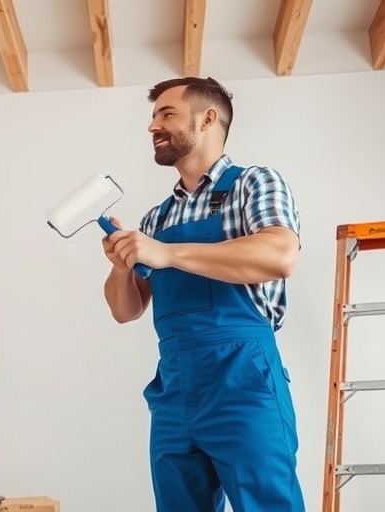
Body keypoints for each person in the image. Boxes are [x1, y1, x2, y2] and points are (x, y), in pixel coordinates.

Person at [102, 77, 305, 511]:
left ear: (208, 118)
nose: (152, 126)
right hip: (174, 384)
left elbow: (281, 253)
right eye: (153, 116)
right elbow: (126, 310)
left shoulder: (254, 183)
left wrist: (168, 253)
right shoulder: (157, 217)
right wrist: (123, 265)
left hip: (243, 377)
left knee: (267, 503)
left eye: (166, 114)